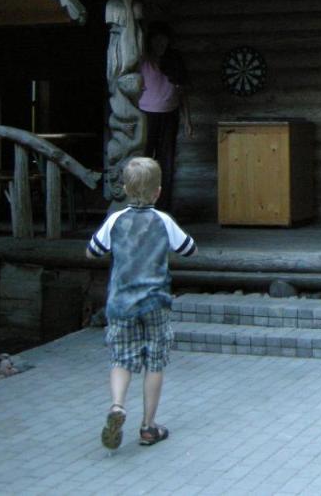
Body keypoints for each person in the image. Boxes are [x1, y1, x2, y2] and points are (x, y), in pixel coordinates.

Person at [86, 156, 197, 449]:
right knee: (155, 362)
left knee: (122, 358)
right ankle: (148, 427)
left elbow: (92, 251)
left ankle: (118, 406)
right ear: (158, 192)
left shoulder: (115, 220)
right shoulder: (163, 221)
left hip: (121, 303)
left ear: (124, 188)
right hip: (155, 302)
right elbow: (189, 248)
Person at [139, 22, 191, 213]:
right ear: (151, 41)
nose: (160, 43)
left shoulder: (175, 60)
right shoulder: (144, 61)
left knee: (166, 161)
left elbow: (182, 91)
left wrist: (187, 120)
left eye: (164, 39)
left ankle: (163, 207)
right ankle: (142, 203)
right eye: (157, 39)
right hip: (147, 114)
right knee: (144, 160)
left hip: (170, 114)